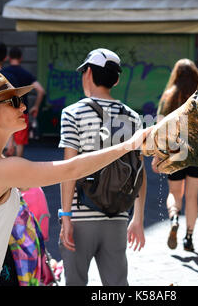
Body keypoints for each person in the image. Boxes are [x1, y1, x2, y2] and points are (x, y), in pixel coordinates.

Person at [0, 70, 151, 286]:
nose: (23, 106)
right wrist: (129, 144)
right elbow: (71, 169)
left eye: (21, 100)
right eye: (13, 102)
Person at [58, 48, 147, 286]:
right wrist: (137, 218)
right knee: (117, 285)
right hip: (117, 215)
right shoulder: (132, 117)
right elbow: (139, 171)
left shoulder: (72, 113)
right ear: (116, 80)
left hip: (80, 217)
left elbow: (69, 168)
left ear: (87, 73)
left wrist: (65, 216)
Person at [151, 58, 198, 252]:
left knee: (174, 192)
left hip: (174, 152)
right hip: (197, 152)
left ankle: (174, 218)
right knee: (192, 195)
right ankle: (188, 237)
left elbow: (159, 128)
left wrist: (157, 156)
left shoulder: (168, 96)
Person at [3, 46, 45, 157]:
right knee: (20, 143)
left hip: (6, 112)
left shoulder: (3, 73)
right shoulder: (26, 74)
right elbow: (41, 91)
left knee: (5, 141)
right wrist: (35, 106)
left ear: (8, 58)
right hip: (22, 112)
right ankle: (18, 168)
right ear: (21, 58)